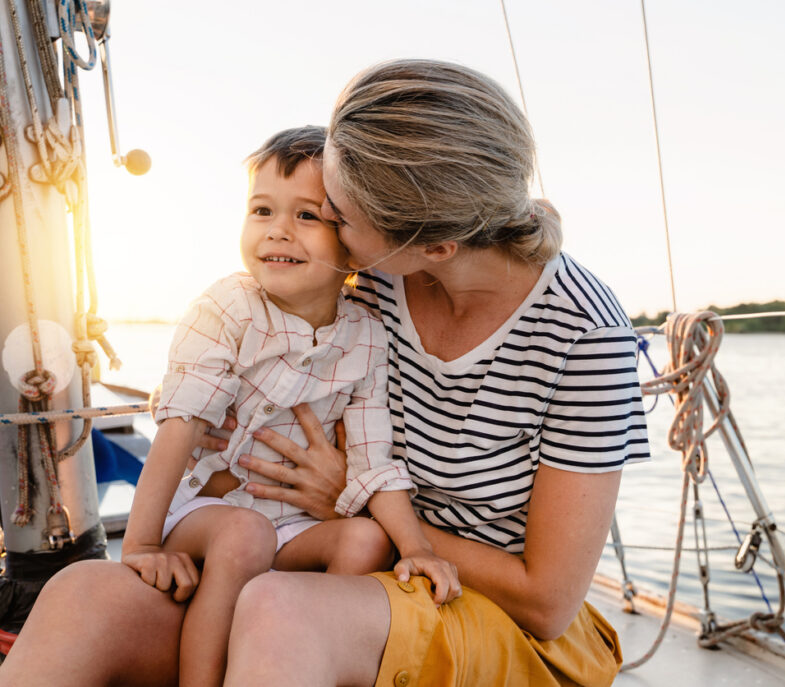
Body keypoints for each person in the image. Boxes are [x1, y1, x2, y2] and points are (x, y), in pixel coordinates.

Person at [0, 59, 648, 687]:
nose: (323, 222)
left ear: (431, 248)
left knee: (281, 614)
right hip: (319, 546)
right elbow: (264, 337)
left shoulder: (585, 334)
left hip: (484, 607)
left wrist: (348, 494)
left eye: (334, 211)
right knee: (83, 594)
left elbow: (546, 602)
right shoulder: (371, 283)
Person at [123, 125, 459, 687]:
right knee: (242, 536)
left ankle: (294, 656)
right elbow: (180, 426)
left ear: (352, 241)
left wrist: (419, 547)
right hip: (204, 513)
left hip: (294, 524)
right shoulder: (226, 308)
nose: (278, 230)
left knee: (366, 538)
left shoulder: (367, 335)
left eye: (306, 216)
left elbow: (374, 460)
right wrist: (143, 544)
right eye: (261, 210)